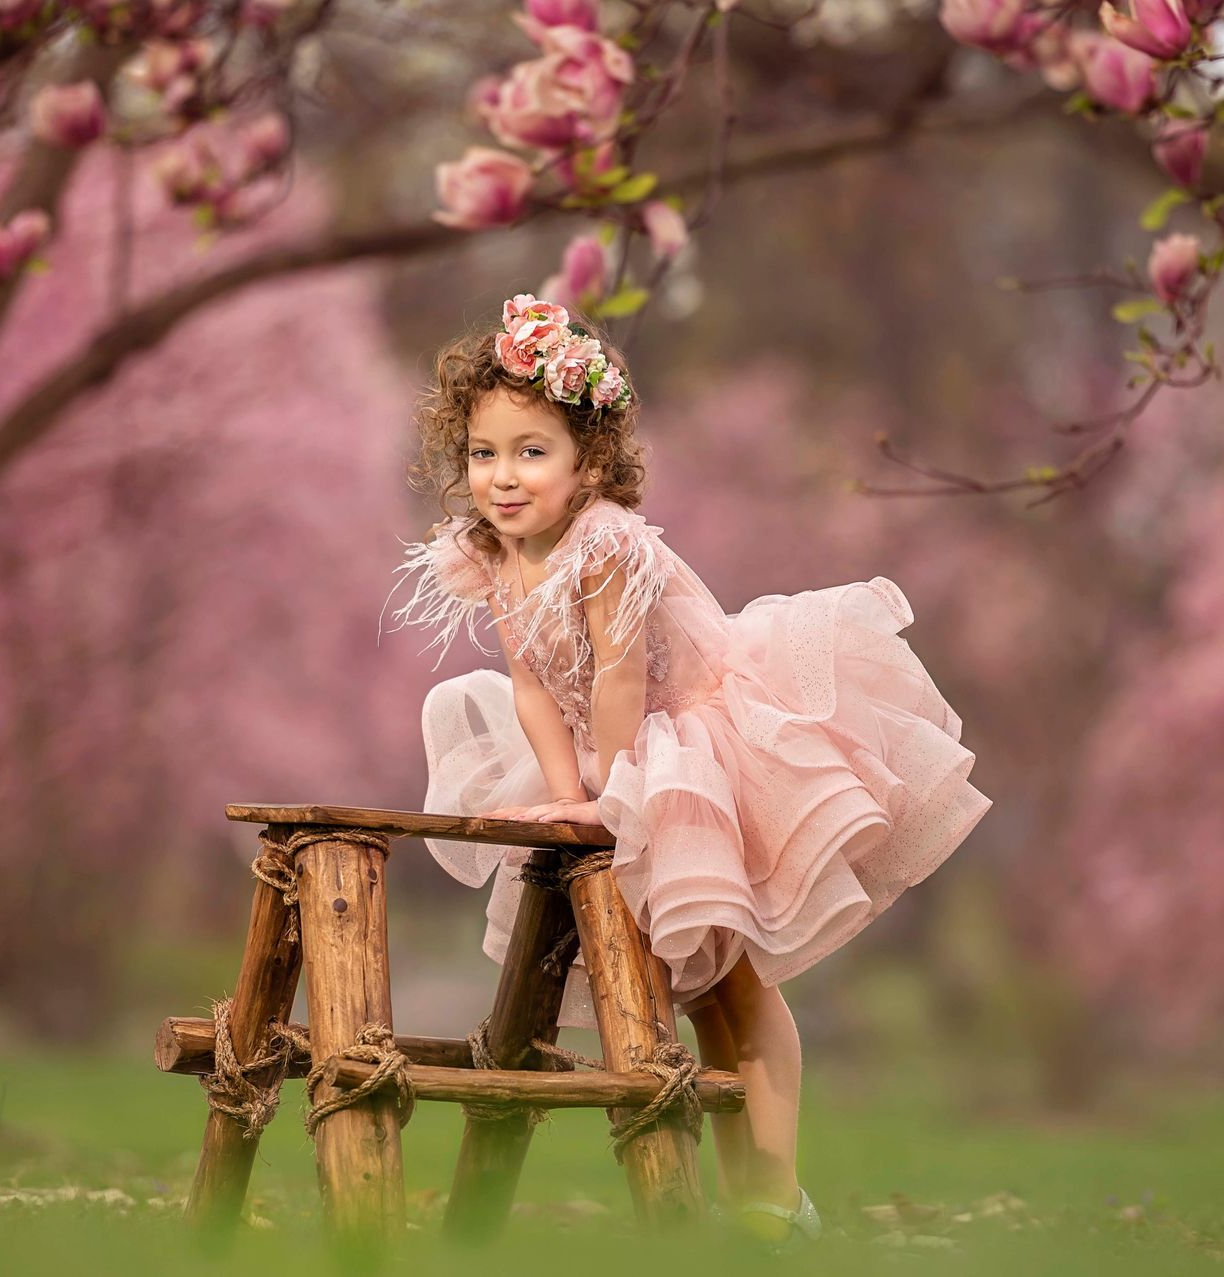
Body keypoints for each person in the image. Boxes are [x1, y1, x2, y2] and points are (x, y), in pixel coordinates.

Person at [381, 293, 992, 1246]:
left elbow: (621, 675)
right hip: (611, 756)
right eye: (483, 453)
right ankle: (749, 1197)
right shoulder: (495, 553)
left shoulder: (607, 545)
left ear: (588, 460)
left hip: (695, 740)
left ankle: (776, 1193)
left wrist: (616, 792)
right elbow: (533, 685)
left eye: (531, 452)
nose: (503, 477)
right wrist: (566, 792)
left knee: (736, 981)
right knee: (698, 984)